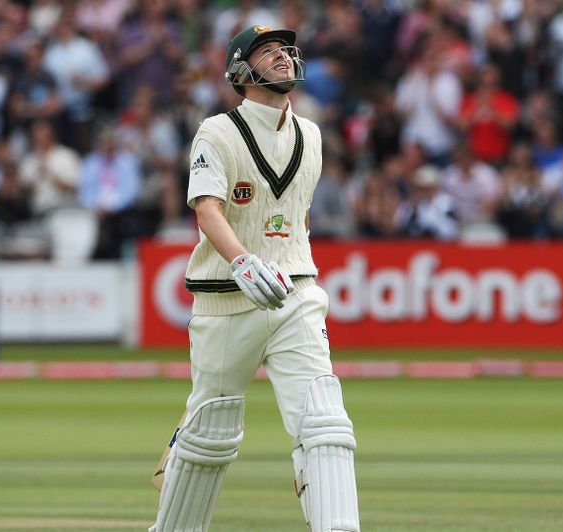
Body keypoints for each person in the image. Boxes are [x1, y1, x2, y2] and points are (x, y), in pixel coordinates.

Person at [150, 26, 359, 532]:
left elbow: (299, 216)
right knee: (209, 435)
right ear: (242, 71)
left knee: (325, 423)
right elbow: (206, 207)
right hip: (227, 301)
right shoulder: (216, 132)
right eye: (269, 52)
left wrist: (287, 264)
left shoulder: (311, 134)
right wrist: (243, 261)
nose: (285, 57)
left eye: (287, 49)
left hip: (296, 294)